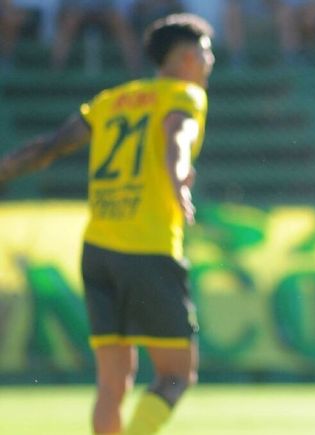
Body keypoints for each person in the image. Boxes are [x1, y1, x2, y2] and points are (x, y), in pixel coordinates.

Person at [0, 13, 215, 434]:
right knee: (175, 375)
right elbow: (177, 136)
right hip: (148, 248)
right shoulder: (185, 95)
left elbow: (50, 147)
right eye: (207, 54)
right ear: (189, 57)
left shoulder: (112, 100)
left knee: (112, 384)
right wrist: (179, 180)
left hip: (97, 249)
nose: (209, 62)